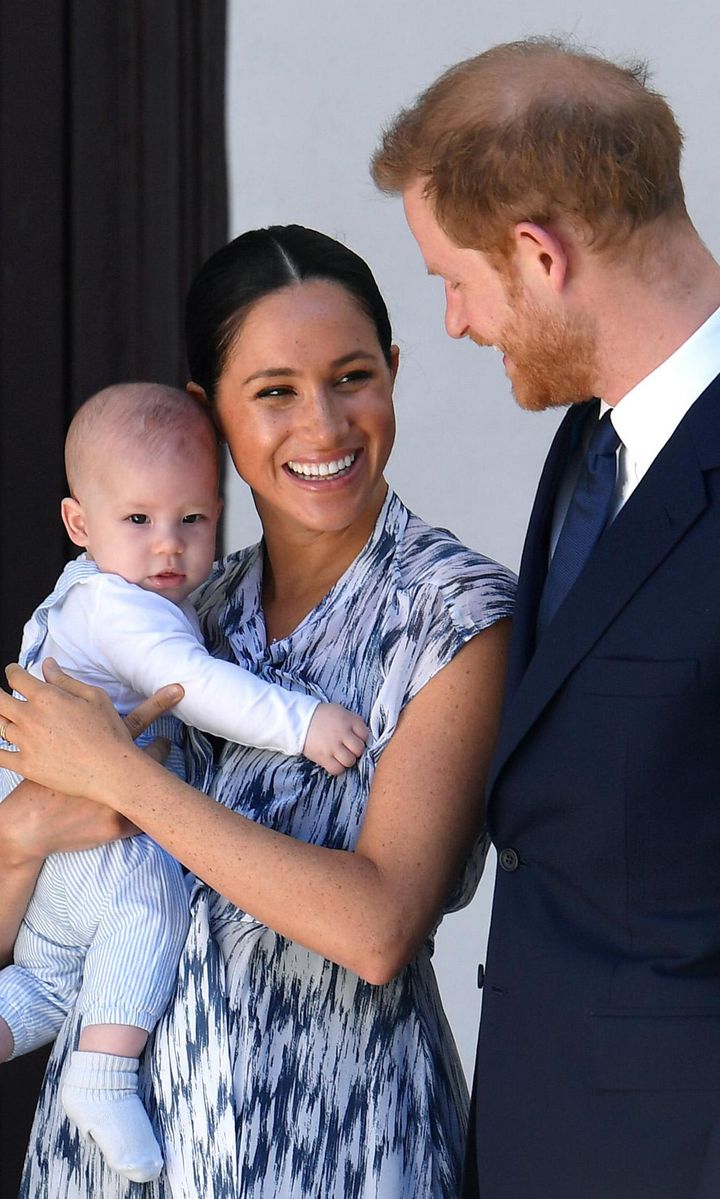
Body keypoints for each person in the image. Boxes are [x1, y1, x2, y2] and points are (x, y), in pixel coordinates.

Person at [0, 225, 515, 1198]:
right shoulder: (168, 612)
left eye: (353, 375)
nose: (323, 426)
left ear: (395, 373)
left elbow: (377, 928)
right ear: (211, 413)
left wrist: (121, 777)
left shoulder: (455, 615)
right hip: (118, 1159)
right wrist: (28, 822)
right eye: (273, 391)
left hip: (330, 1147)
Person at [370, 34, 720, 1199]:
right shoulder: (590, 439)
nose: (460, 322)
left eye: (453, 280)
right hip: (542, 1139)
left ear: (538, 253)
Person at [0, 381, 368, 1184]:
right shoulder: (121, 610)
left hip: (53, 835)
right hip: (78, 821)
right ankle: (101, 1072)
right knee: (151, 891)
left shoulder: (108, 590)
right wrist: (303, 724)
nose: (169, 546)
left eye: (192, 519)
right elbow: (195, 685)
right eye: (139, 521)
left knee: (61, 971)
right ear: (79, 524)